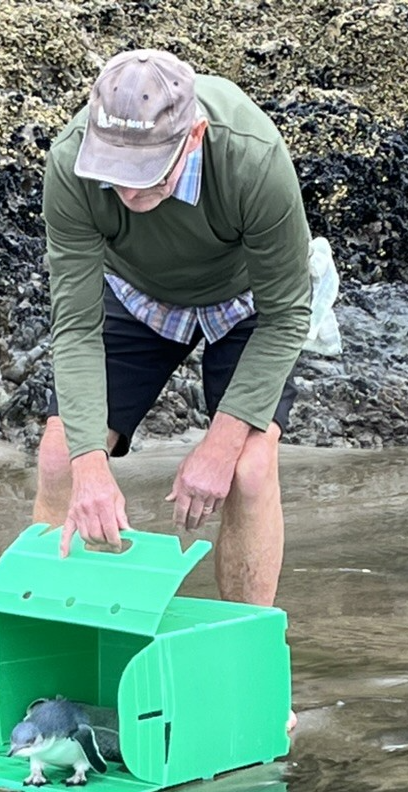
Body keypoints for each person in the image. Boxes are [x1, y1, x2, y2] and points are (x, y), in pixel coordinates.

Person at [34, 48, 312, 607]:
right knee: (61, 457)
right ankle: (52, 639)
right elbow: (76, 326)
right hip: (136, 294)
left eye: (145, 174)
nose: (130, 194)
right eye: (115, 174)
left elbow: (288, 314)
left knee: (249, 470)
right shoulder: (71, 162)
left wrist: (218, 446)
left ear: (194, 135)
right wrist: (90, 468)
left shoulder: (252, 157)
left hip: (246, 301)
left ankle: (242, 659)